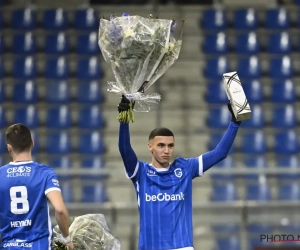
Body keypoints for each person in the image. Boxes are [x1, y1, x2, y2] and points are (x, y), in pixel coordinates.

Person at [118, 95, 241, 250]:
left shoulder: (185, 168)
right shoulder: (140, 172)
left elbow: (220, 153)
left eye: (170, 146)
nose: (166, 150)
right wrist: (124, 120)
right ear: (150, 146)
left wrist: (235, 122)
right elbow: (124, 149)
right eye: (161, 145)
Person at [0, 124, 73, 250]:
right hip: (39, 246)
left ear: (9, 148)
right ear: (32, 143)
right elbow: (60, 209)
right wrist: (67, 239)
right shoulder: (45, 173)